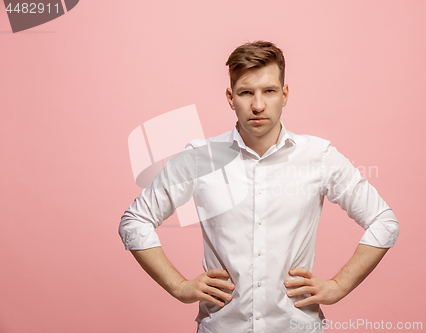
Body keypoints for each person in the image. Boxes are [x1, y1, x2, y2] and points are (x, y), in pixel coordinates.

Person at [119, 41, 399, 333]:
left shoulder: (319, 157)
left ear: (285, 94)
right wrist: (178, 286)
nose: (258, 105)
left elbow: (384, 221)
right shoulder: (200, 159)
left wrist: (340, 285)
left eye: (269, 91)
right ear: (230, 97)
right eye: (246, 92)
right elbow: (135, 221)